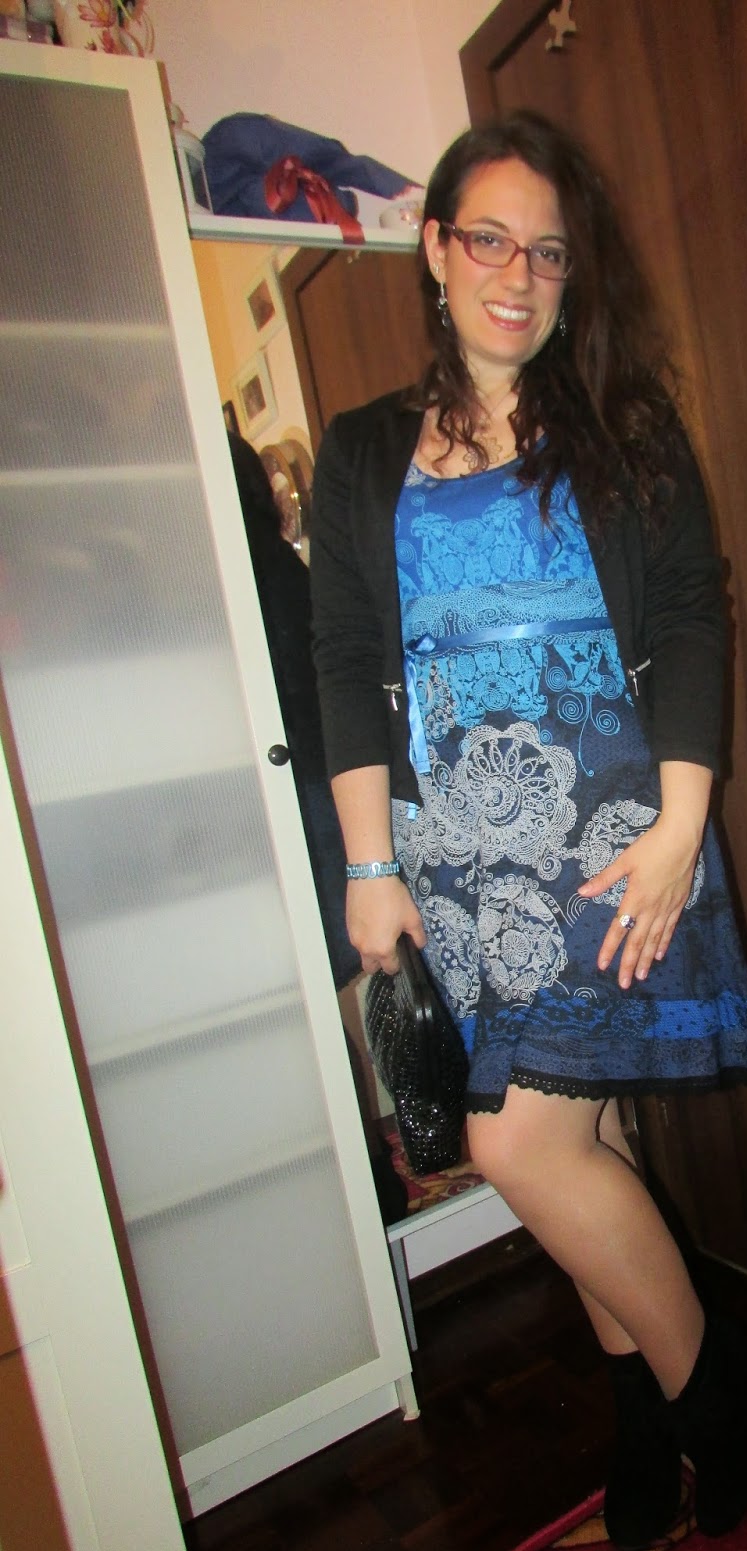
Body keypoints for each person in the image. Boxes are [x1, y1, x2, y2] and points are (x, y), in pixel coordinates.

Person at [309, 110, 747, 1548]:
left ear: (573, 274)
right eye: (490, 240)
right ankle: (643, 1412)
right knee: (591, 1141)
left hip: (612, 837)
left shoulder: (624, 425)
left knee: (521, 1148)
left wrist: (683, 825)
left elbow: (690, 609)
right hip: (455, 854)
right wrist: (370, 865)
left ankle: (708, 1396)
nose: (518, 274)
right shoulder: (363, 450)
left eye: (549, 252)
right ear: (435, 249)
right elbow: (343, 658)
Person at [227, 429, 408, 1225]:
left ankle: (367, 1182)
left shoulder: (232, 581)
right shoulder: (283, 571)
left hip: (300, 802)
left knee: (307, 1004)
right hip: (322, 793)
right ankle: (374, 1174)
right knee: (328, 1001)